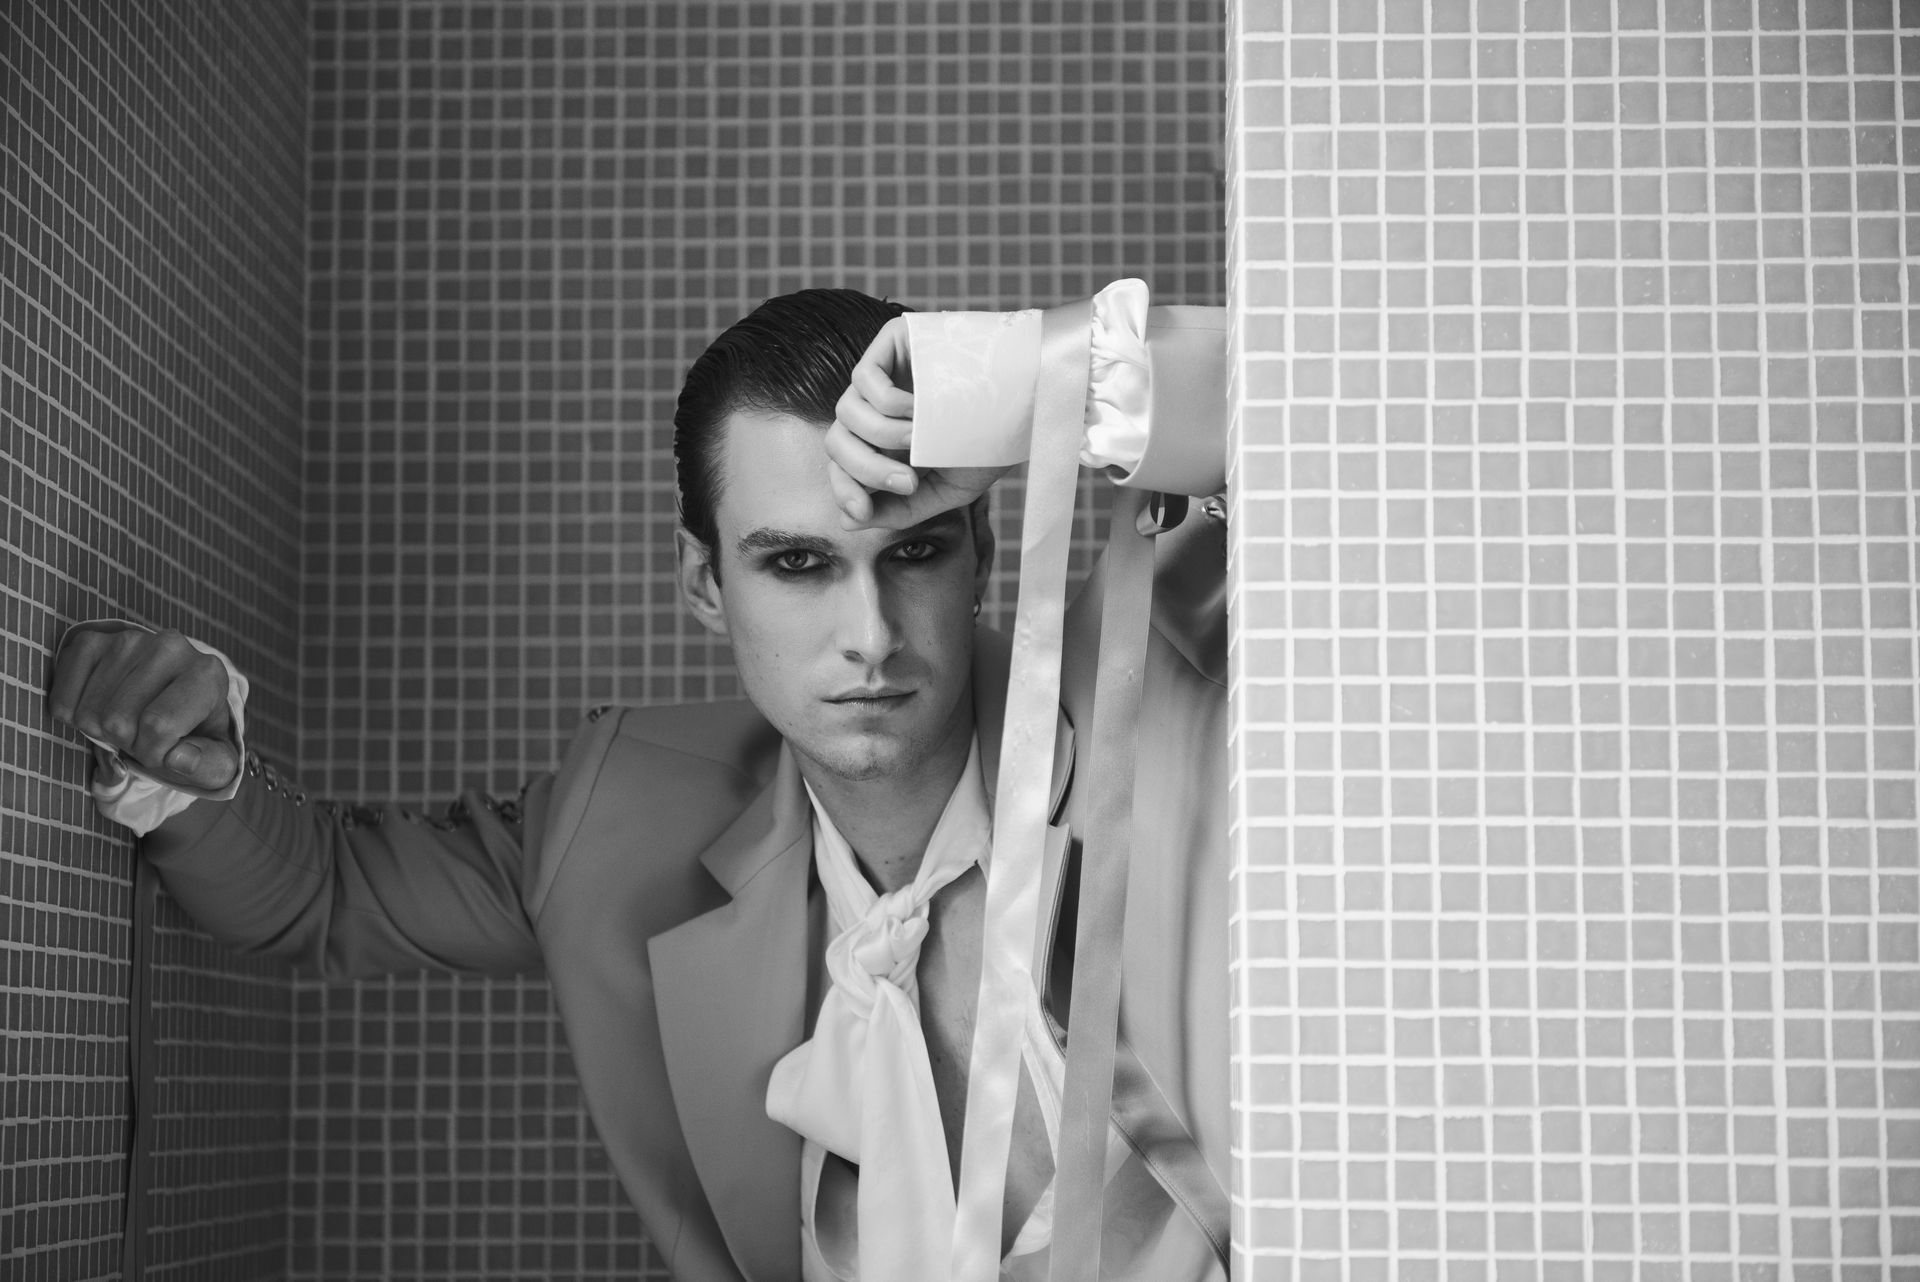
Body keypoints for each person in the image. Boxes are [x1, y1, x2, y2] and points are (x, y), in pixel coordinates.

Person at [47, 280, 1230, 1282]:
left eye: (913, 549)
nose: (869, 634)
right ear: (708, 584)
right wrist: (184, 750)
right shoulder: (624, 819)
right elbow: (318, 889)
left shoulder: (1152, 678)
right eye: (799, 564)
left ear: (978, 547)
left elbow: (1346, 429)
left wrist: (1046, 375)